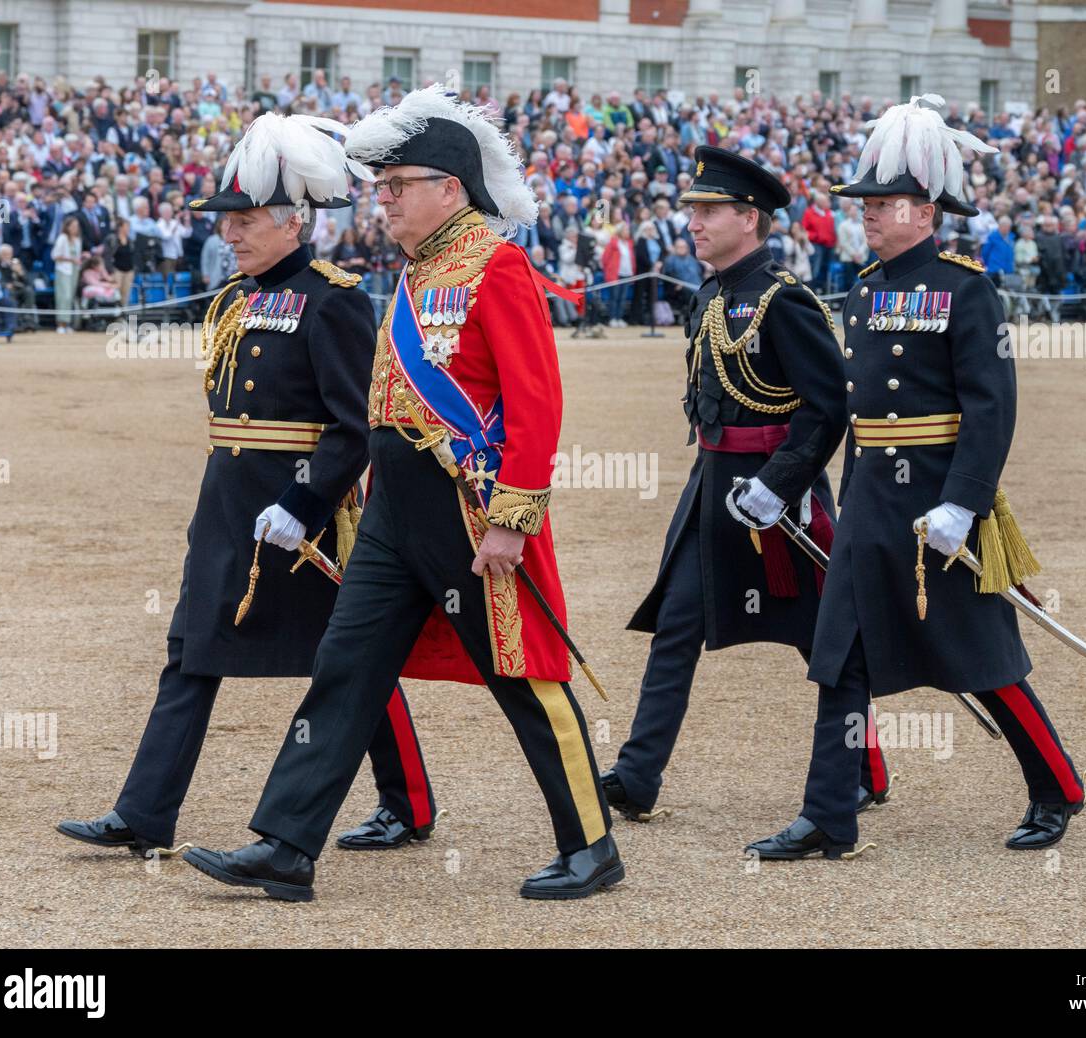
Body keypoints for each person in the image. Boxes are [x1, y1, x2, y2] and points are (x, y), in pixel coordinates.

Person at [182, 86, 621, 902]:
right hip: (394, 512)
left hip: (467, 509)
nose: (381, 200)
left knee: (522, 675)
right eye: (379, 188)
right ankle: (285, 843)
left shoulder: (499, 265)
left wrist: (512, 519)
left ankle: (592, 843)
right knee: (344, 668)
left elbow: (535, 400)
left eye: (396, 186)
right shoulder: (420, 271)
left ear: (449, 189)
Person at [57, 113, 436, 869]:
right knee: (191, 652)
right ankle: (143, 814)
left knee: (350, 662)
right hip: (228, 508)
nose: (230, 233)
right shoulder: (233, 297)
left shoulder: (334, 300)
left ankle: (406, 804)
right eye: (226, 221)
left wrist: (305, 504)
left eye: (246, 219)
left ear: (294, 223)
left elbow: (354, 426)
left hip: (302, 516)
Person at [748, 94, 1084, 862]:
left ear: (927, 211)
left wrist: (963, 506)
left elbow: (991, 410)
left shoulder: (968, 289)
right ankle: (830, 814)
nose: (866, 212)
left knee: (983, 661)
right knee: (840, 657)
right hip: (871, 502)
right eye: (864, 200)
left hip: (937, 502)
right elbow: (848, 407)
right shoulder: (863, 289)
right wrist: (789, 478)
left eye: (884, 201)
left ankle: (1057, 785)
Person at [601, 147, 891, 825]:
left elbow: (827, 408)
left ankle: (863, 766)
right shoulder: (711, 293)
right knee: (675, 625)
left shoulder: (783, 301)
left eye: (708, 211)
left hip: (776, 501)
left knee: (822, 638)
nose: (694, 223)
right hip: (712, 488)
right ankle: (639, 774)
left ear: (749, 218)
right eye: (693, 211)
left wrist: (780, 485)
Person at [50, 214, 82, 333]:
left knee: (71, 297)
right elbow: (55, 255)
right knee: (64, 296)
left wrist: (79, 258)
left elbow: (77, 256)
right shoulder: (62, 238)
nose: (75, 228)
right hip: (63, 270)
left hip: (74, 270)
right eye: (73, 226)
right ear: (67, 227)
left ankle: (67, 323)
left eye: (76, 226)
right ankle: (60, 324)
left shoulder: (78, 240)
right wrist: (70, 259)